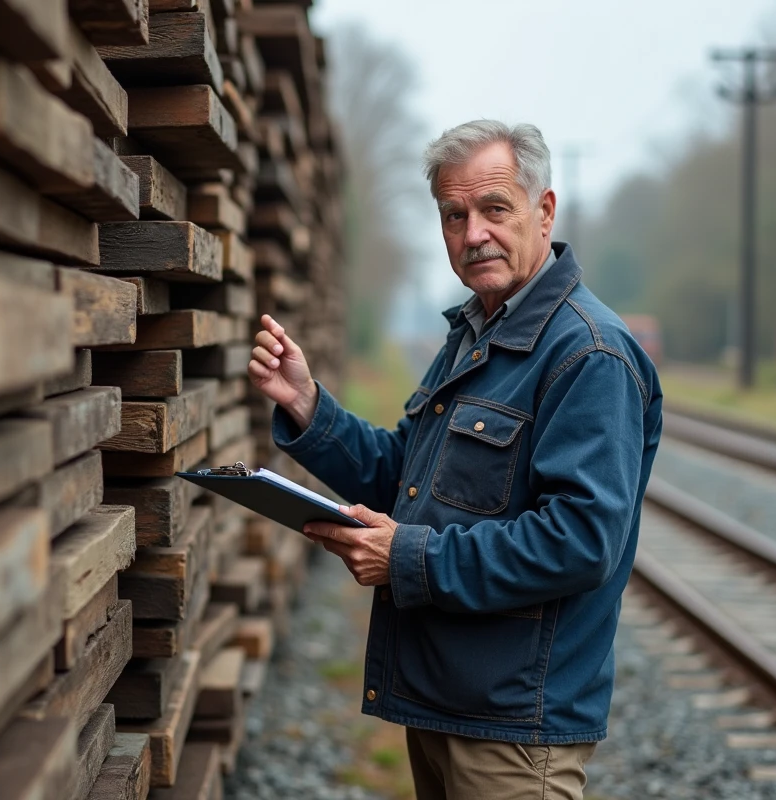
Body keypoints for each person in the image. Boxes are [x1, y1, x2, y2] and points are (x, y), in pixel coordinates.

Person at [248, 120, 663, 800]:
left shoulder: (590, 355)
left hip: (513, 731)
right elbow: (407, 478)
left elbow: (581, 541)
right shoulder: (476, 331)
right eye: (454, 215)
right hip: (447, 705)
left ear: (544, 211)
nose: (474, 234)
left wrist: (405, 557)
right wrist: (308, 407)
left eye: (495, 208)